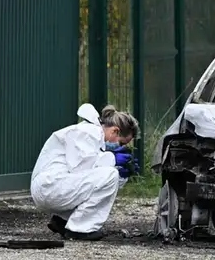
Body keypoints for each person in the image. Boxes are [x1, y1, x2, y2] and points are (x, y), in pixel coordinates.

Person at [30, 103, 140, 241]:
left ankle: (63, 221)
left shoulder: (91, 134)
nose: (120, 147)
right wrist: (113, 159)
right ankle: (80, 229)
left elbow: (90, 179)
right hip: (49, 186)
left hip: (50, 187)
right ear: (115, 131)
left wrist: (122, 175)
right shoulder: (88, 132)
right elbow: (82, 168)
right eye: (122, 143)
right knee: (110, 175)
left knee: (110, 177)